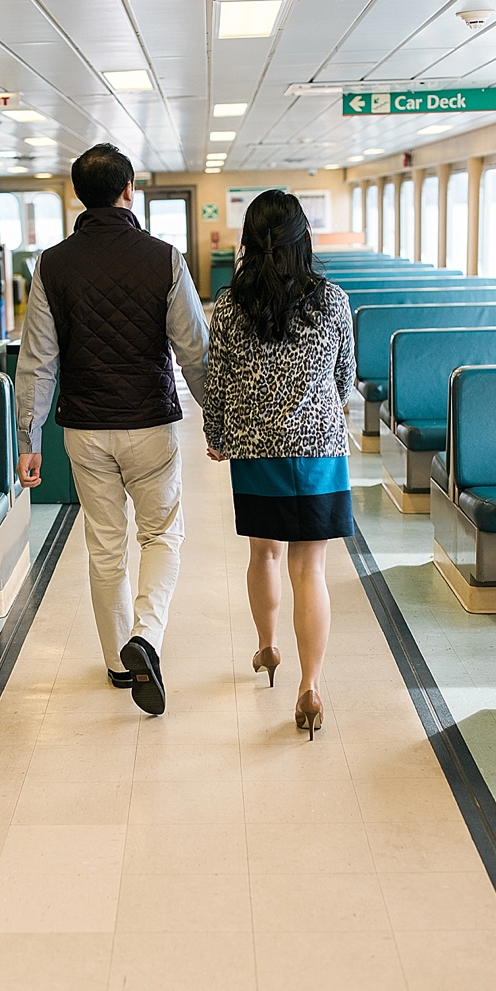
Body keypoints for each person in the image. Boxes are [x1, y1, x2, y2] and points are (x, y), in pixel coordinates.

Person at [15, 143, 210, 716]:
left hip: (85, 429)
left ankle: (117, 664)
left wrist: (28, 441)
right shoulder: (165, 258)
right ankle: (145, 638)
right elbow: (193, 351)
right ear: (129, 191)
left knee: (105, 545)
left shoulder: (52, 264)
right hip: (150, 422)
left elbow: (36, 361)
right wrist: (217, 423)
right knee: (161, 535)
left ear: (79, 196)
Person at [199, 190, 356, 735]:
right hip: (318, 450)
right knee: (310, 569)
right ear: (301, 239)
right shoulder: (332, 300)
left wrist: (216, 433)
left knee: (264, 554)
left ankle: (267, 649)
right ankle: (309, 687)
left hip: (256, 450)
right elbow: (343, 380)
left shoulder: (229, 306)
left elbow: (215, 381)